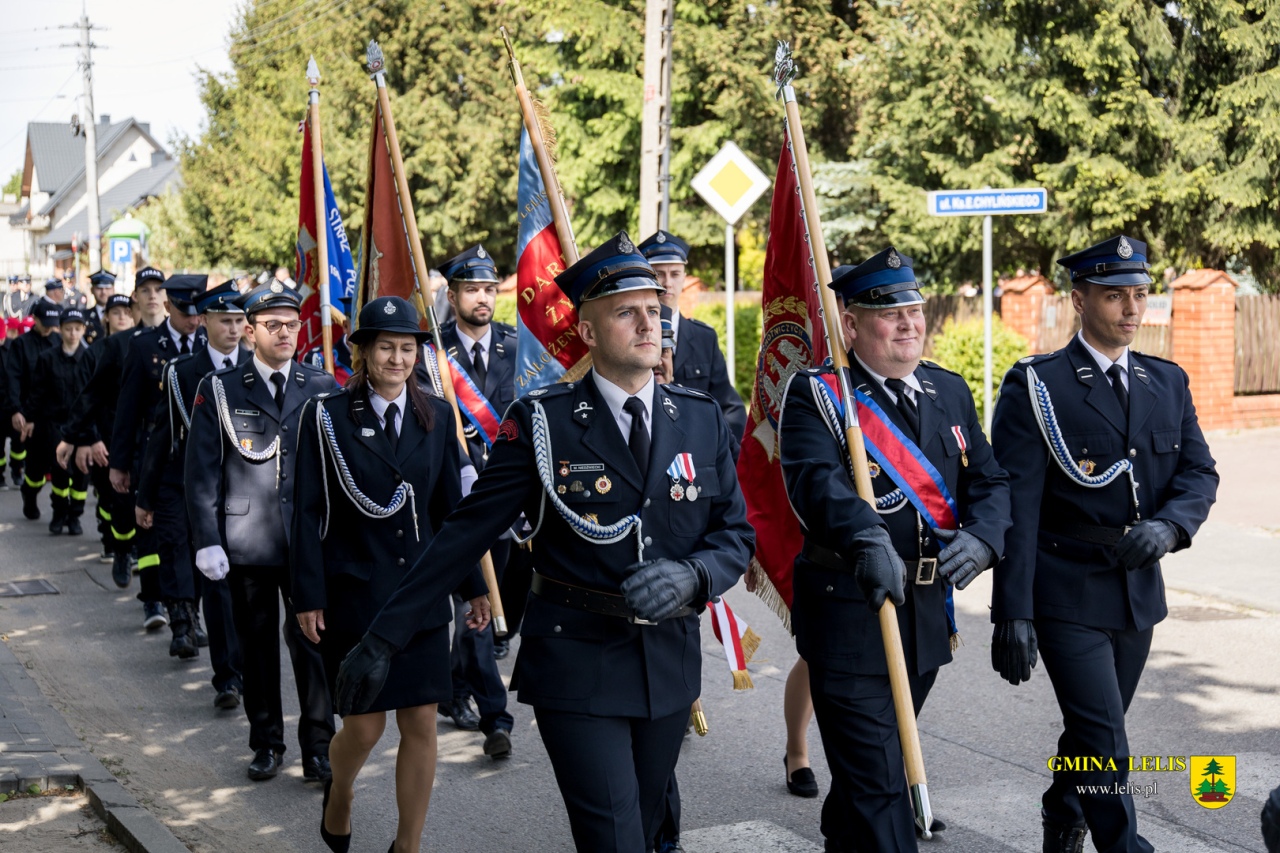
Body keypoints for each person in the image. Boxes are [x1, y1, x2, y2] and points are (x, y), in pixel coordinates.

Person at [336, 232, 754, 853]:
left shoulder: (697, 417)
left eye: (654, 308)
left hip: (667, 662)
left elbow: (734, 534)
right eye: (626, 311)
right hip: (578, 661)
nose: (649, 322)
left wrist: (695, 577)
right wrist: (382, 637)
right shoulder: (544, 421)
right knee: (613, 838)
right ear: (587, 334)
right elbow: (463, 531)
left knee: (650, 826)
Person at [990, 235, 1218, 853]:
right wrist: (1012, 612)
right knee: (1104, 735)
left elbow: (1200, 472)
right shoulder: (1039, 385)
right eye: (1115, 295)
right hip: (1065, 590)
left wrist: (1171, 527)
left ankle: (1063, 815)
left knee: (1094, 729)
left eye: (1139, 295)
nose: (1131, 309)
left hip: (1136, 590)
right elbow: (1018, 507)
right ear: (1079, 299)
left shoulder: (1165, 382)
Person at [779, 247, 1011, 853]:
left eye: (914, 309)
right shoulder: (819, 395)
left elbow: (989, 479)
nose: (909, 322)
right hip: (852, 611)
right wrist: (866, 535)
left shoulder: (948, 390)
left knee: (868, 776)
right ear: (850, 326)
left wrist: (985, 537)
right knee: (884, 782)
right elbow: (815, 483)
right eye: (890, 313)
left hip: (925, 615)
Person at [291, 295, 488, 853]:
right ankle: (342, 792)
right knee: (365, 729)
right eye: (386, 348)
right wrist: (307, 595)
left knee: (421, 723)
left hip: (420, 597)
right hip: (356, 594)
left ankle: (408, 844)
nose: (397, 359)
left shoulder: (438, 415)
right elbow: (306, 510)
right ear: (363, 352)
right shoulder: (326, 417)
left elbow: (452, 512)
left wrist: (473, 585)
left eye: (407, 348)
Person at [185, 281, 339, 783]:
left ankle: (318, 746)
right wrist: (207, 539)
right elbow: (202, 470)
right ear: (250, 331)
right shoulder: (221, 389)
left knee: (312, 646)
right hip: (247, 539)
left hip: (306, 543)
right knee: (256, 648)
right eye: (273, 325)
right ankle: (266, 742)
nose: (285, 334)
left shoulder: (321, 386)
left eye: (292, 325)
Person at [134, 281, 245, 708]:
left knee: (245, 594)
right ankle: (227, 678)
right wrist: (145, 495)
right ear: (207, 322)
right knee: (216, 590)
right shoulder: (182, 372)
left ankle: (245, 667)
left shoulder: (255, 365)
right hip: (195, 492)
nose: (234, 330)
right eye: (226, 321)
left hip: (248, 501)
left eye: (240, 321)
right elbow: (162, 436)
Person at [429, 244, 517, 752]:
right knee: (477, 605)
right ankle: (495, 718)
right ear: (454, 293)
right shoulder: (433, 352)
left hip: (506, 498)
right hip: (457, 495)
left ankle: (455, 687)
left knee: (498, 604)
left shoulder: (516, 346)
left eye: (489, 288)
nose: (483, 297)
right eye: (472, 289)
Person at [111, 272, 208, 630]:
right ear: (168, 308)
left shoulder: (208, 345)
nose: (194, 320)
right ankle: (178, 612)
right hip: (162, 458)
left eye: (198, 312)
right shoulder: (144, 346)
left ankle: (191, 610)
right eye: (185, 313)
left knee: (201, 540)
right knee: (171, 540)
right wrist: (119, 464)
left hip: (206, 460)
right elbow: (128, 409)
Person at [637, 230, 746, 449]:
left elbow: (729, 407)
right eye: (659, 274)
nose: (668, 283)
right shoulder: (634, 335)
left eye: (675, 274)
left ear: (685, 277)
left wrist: (718, 452)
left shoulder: (704, 338)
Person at [26, 306, 92, 534]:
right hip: (55, 425)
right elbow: (38, 393)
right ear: (60, 329)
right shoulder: (47, 359)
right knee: (60, 471)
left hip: (83, 426)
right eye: (68, 329)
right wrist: (30, 419)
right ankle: (59, 512)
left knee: (82, 475)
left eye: (77, 329)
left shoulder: (91, 358)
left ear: (83, 330)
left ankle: (75, 515)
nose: (73, 333)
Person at [5, 300, 62, 518]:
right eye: (44, 322)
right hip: (31, 414)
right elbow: (13, 379)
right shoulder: (21, 344)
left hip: (57, 414)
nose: (49, 327)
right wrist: (17, 410)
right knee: (36, 467)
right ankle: (30, 492)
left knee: (60, 465)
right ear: (35, 320)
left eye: (52, 323)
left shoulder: (60, 341)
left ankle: (63, 512)